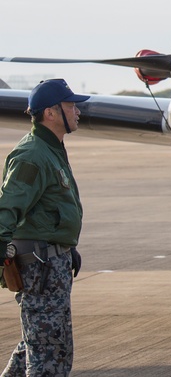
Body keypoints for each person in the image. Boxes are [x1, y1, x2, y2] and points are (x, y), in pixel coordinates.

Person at [1, 79, 89, 377]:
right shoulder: (32, 155)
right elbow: (7, 209)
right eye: (70, 105)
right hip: (40, 267)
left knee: (38, 343)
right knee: (50, 353)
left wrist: (66, 247)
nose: (77, 111)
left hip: (51, 262)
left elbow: (50, 209)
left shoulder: (50, 149)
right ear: (50, 113)